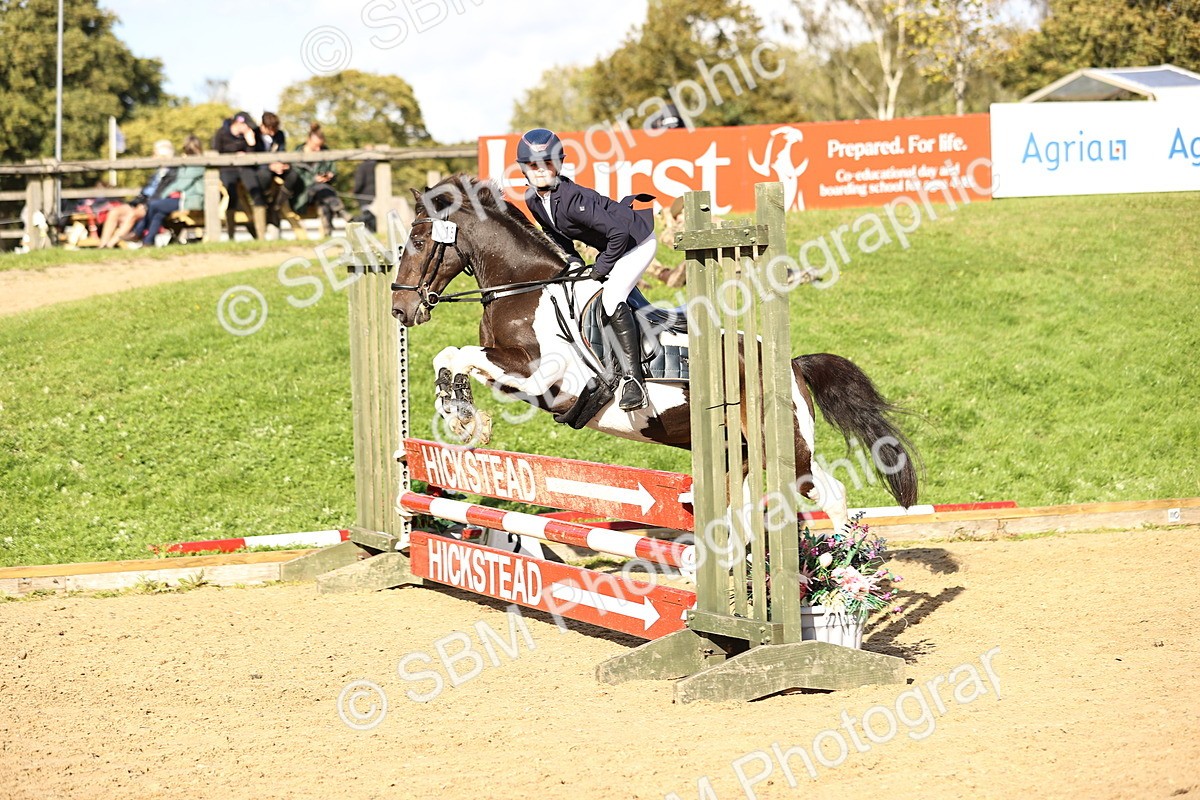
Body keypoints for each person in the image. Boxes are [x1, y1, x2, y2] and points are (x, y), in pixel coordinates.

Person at [515, 128, 656, 411]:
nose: (541, 170)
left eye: (548, 163)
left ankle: (633, 381)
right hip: (614, 246)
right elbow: (552, 232)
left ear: (559, 163)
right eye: (533, 165)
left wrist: (599, 268)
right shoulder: (533, 199)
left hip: (636, 242)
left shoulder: (573, 199)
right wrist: (574, 259)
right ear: (524, 169)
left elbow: (618, 234)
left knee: (612, 295)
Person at [96, 139, 177, 248]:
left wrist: (145, 205)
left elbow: (162, 195)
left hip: (152, 205)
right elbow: (146, 191)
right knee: (114, 212)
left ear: (163, 157)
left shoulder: (172, 173)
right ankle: (102, 244)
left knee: (132, 215)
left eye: (155, 154)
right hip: (142, 202)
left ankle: (110, 245)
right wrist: (137, 202)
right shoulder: (156, 173)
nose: (153, 157)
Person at [280, 123, 344, 237]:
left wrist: (330, 176)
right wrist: (314, 179)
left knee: (323, 198)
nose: (318, 149)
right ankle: (341, 211)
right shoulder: (297, 154)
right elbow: (296, 177)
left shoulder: (325, 152)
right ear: (308, 141)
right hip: (302, 195)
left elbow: (334, 173)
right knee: (320, 189)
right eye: (316, 146)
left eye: (320, 146)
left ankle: (327, 235)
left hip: (322, 195)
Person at [140, 135, 206, 246]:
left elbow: (182, 183)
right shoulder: (186, 164)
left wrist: (165, 194)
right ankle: (148, 241)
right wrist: (166, 194)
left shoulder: (198, 164)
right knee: (158, 214)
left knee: (153, 205)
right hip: (181, 198)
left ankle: (139, 231)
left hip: (191, 199)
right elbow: (178, 183)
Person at [213, 111, 267, 239]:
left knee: (257, 194)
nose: (249, 128)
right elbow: (216, 153)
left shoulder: (249, 136)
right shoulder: (221, 133)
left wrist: (251, 144)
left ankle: (261, 237)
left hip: (245, 168)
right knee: (232, 196)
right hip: (227, 169)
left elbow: (254, 156)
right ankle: (231, 235)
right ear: (239, 123)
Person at [255, 112, 291, 237]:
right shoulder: (255, 135)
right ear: (263, 126)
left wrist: (281, 164)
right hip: (261, 170)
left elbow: (282, 151)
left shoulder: (279, 135)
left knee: (293, 174)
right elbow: (253, 158)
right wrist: (270, 166)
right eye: (270, 129)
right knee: (263, 175)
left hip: (277, 169)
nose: (273, 132)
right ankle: (268, 202)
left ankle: (277, 204)